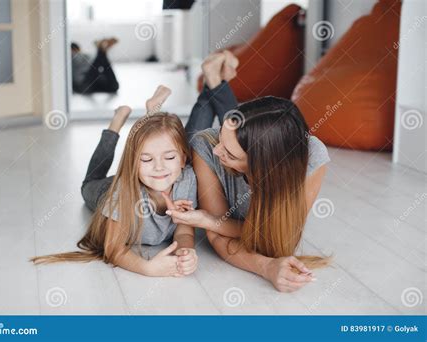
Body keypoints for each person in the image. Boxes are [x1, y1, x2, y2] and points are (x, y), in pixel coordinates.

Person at [169, 50, 332, 293]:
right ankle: (213, 81)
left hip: (248, 148)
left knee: (234, 136)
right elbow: (218, 237)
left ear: (264, 165)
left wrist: (210, 221)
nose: (218, 152)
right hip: (198, 143)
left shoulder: (312, 157)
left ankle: (213, 80)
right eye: (222, 142)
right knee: (191, 139)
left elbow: (276, 236)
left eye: (231, 154)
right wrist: (266, 267)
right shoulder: (208, 148)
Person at [31, 87, 198, 277]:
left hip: (139, 175)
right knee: (90, 181)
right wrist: (147, 268)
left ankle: (152, 115)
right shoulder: (122, 191)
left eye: (169, 158)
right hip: (105, 190)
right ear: (133, 162)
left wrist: (186, 252)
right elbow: (113, 248)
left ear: (183, 159)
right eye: (146, 159)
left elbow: (184, 231)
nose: (159, 167)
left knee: (151, 142)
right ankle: (116, 122)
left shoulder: (187, 179)